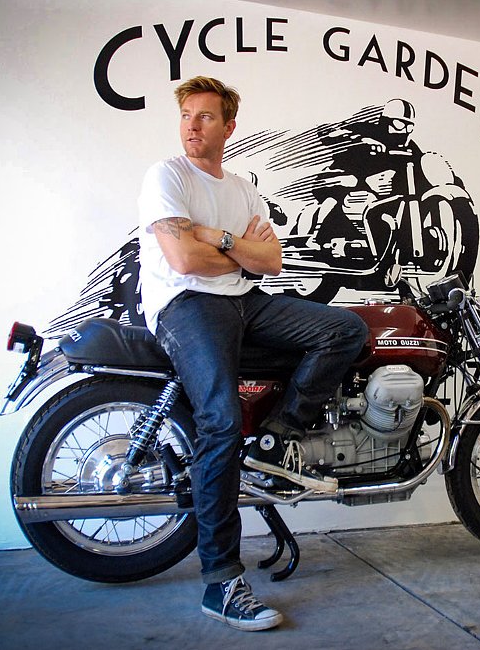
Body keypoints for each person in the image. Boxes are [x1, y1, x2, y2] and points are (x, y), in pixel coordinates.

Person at [137, 76, 368, 631]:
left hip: (246, 302)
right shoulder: (167, 175)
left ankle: (281, 434)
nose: (192, 125)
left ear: (229, 126)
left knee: (346, 330)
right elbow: (183, 260)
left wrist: (216, 238)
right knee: (218, 422)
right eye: (187, 115)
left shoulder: (241, 189)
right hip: (187, 304)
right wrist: (234, 250)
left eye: (206, 116)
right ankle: (221, 582)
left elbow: (272, 263)